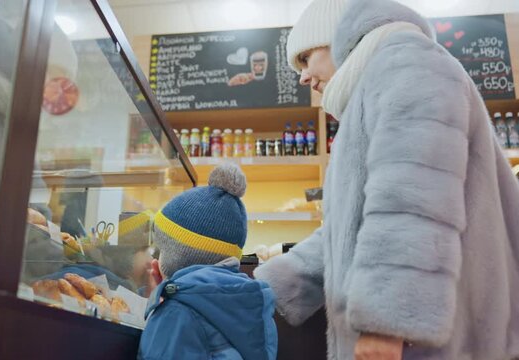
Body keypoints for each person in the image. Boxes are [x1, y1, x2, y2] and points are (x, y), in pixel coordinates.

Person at [254, 0, 519, 359]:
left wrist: (387, 322)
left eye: (304, 58)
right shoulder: (381, 84)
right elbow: (347, 232)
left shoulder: (407, 63)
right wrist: (271, 286)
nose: (302, 76)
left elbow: (413, 201)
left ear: (338, 35)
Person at [138, 163, 278, 360]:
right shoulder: (252, 307)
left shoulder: (175, 314)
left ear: (175, 256)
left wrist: (168, 294)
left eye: (160, 250)